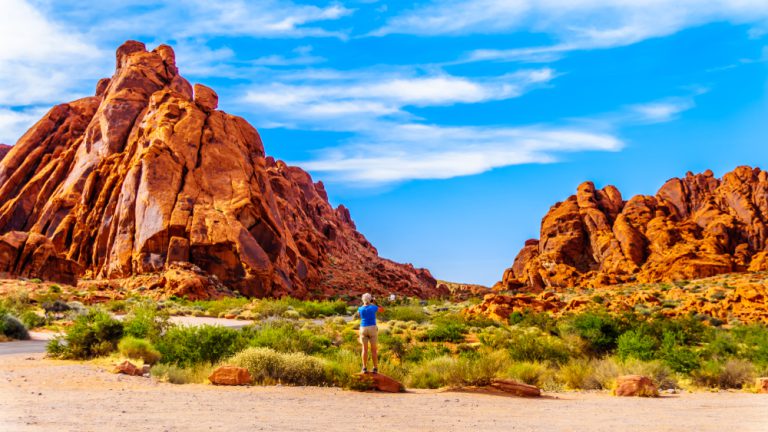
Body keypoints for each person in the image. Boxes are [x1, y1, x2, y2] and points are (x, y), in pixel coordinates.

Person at [358, 293, 383, 374]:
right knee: (373, 350)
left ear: (363, 300)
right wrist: (375, 301)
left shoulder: (360, 309)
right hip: (372, 328)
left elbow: (360, 314)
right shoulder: (373, 307)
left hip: (363, 328)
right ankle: (375, 368)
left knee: (364, 349)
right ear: (370, 299)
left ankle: (364, 368)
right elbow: (382, 309)